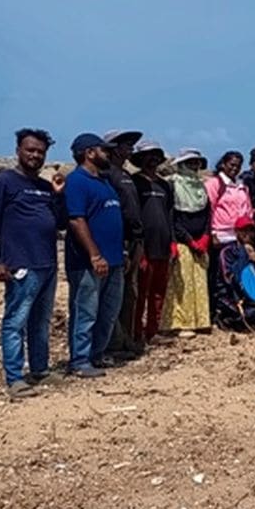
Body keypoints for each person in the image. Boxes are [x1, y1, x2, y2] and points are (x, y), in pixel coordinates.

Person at [0, 128, 65, 397]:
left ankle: (39, 369)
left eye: (40, 152)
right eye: (30, 150)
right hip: (19, 266)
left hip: (47, 264)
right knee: (15, 321)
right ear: (18, 151)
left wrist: (59, 195)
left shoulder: (43, 187)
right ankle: (15, 378)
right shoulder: (3, 182)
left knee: (40, 321)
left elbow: (60, 223)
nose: (35, 155)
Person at [64, 133, 124, 377]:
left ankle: (96, 354)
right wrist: (95, 255)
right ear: (89, 153)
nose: (108, 154)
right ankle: (79, 360)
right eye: (104, 150)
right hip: (89, 262)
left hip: (115, 260)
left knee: (108, 312)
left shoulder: (104, 182)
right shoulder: (77, 181)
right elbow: (77, 220)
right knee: (85, 311)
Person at [102, 129, 144, 360]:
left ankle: (125, 338)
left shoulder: (125, 174)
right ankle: (113, 343)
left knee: (130, 293)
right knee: (114, 295)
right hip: (121, 242)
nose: (130, 149)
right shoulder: (107, 174)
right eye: (126, 145)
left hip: (135, 239)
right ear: (115, 148)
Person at [162, 148, 213, 337]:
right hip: (184, 241)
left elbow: (208, 214)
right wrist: (189, 241)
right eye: (190, 162)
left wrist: (205, 237)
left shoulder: (201, 186)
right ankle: (181, 323)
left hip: (200, 240)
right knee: (182, 283)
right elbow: (173, 217)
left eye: (196, 163)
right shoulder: (173, 185)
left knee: (199, 281)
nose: (194, 166)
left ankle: (201, 321)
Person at [129, 141, 175, 346]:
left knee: (158, 293)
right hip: (143, 248)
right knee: (140, 293)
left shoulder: (165, 185)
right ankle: (136, 332)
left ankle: (153, 331)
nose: (153, 160)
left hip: (163, 246)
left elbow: (170, 214)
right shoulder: (134, 183)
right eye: (148, 156)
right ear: (140, 159)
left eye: (156, 156)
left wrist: (173, 242)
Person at [205, 151, 255, 320]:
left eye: (238, 166)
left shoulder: (241, 186)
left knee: (237, 275)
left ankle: (236, 311)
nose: (235, 168)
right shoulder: (214, 184)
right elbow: (209, 209)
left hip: (239, 237)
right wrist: (212, 233)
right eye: (232, 165)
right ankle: (215, 312)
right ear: (224, 164)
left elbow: (247, 211)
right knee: (219, 276)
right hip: (221, 236)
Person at [216, 216, 255, 331]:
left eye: (251, 230)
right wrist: (244, 256)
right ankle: (229, 320)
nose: (248, 234)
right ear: (236, 232)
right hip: (234, 297)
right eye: (244, 230)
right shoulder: (227, 252)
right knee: (252, 314)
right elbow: (229, 279)